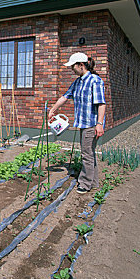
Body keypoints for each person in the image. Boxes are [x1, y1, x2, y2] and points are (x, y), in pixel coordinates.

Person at [48, 52, 106, 194]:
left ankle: (85, 184)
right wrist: (52, 110)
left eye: (73, 66)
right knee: (89, 153)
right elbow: (65, 97)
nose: (71, 69)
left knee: (86, 154)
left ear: (81, 65)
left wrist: (99, 124)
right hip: (83, 123)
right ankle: (94, 182)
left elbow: (102, 104)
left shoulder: (95, 80)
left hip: (91, 124)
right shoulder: (78, 82)